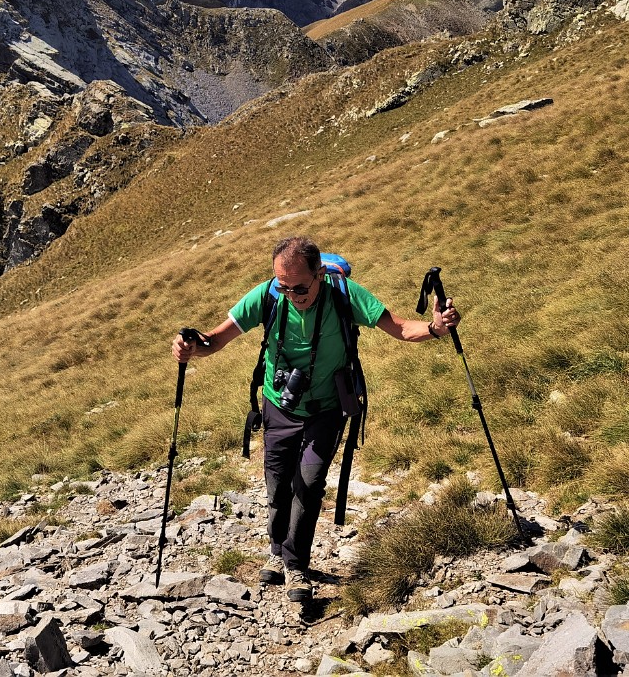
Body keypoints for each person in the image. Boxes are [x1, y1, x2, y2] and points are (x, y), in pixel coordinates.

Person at [171, 235, 460, 602]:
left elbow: (401, 328)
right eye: (284, 287)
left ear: (320, 273)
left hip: (326, 408)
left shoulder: (344, 293)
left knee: (307, 484)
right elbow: (215, 340)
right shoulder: (266, 295)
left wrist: (435, 328)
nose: (292, 294)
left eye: (299, 287)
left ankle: (295, 565)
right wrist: (192, 346)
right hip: (279, 405)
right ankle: (276, 550)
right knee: (277, 485)